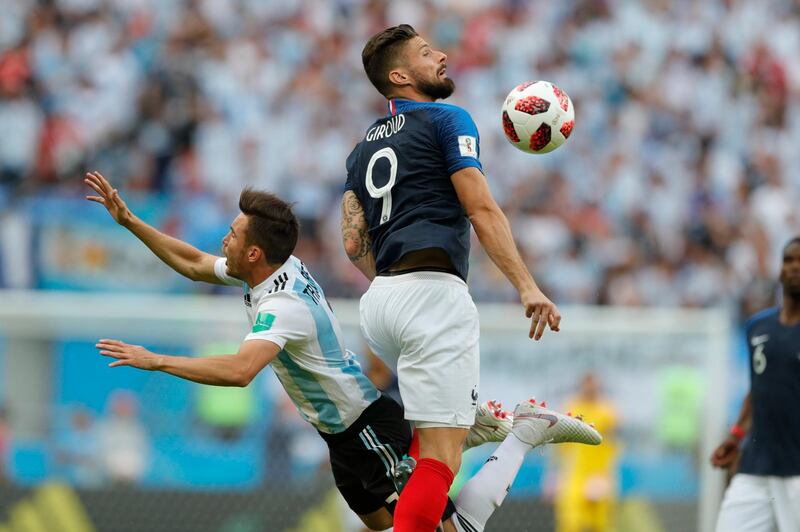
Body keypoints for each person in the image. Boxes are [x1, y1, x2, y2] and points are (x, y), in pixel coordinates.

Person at [85, 171, 599, 531]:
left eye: (233, 234)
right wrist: (129, 220)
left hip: (367, 427)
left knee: (443, 529)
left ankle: (522, 433)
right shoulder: (268, 269)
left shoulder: (283, 306)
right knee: (378, 522)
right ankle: (453, 440)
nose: (224, 240)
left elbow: (242, 371)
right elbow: (195, 262)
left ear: (255, 253)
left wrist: (155, 360)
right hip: (341, 436)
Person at [342, 24, 564, 531]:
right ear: (399, 75)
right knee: (441, 461)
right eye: (426, 53)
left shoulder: (359, 152)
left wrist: (394, 282)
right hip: (431, 296)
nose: (441, 55)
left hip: (380, 304)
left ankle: (463, 427)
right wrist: (527, 287)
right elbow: (481, 208)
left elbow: (353, 244)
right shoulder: (447, 118)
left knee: (433, 442)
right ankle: (468, 438)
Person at [711, 237, 800, 532]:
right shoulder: (758, 327)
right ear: (779, 270)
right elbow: (758, 388)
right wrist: (736, 435)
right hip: (756, 466)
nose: (795, 267)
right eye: (789, 260)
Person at [553, 374, 619, 532]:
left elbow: (613, 446)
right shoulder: (571, 408)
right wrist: (555, 474)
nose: (590, 389)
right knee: (570, 524)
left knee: (601, 524)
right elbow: (560, 447)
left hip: (599, 475)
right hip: (574, 478)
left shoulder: (608, 412)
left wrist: (606, 477)